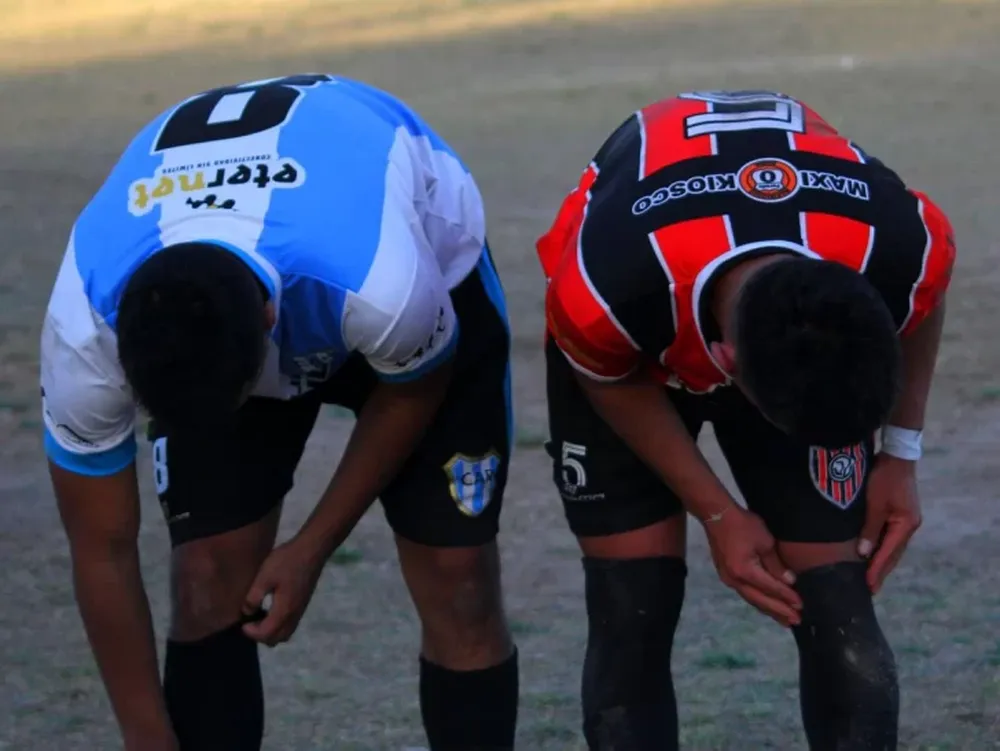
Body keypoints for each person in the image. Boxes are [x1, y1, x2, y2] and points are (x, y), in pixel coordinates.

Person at [41, 74, 518, 751]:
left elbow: (414, 390)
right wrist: (145, 734)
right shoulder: (83, 328)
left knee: (458, 583)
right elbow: (101, 547)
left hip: (413, 262)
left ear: (270, 324)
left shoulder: (379, 280)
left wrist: (311, 547)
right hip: (241, 276)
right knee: (206, 577)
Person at [537, 89, 954, 750]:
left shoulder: (901, 243)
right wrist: (717, 513)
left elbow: (922, 296)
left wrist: (899, 453)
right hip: (633, 333)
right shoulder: (603, 291)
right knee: (632, 606)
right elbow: (605, 375)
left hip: (770, 265)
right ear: (725, 367)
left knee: (836, 603)